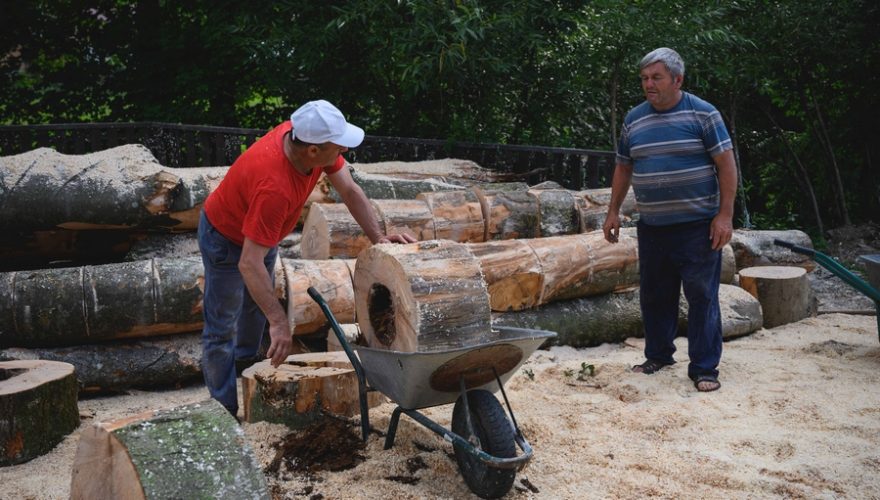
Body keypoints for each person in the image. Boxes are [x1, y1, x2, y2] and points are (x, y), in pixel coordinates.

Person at [198, 100, 416, 417]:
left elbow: (351, 190)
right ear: (313, 151)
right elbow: (248, 262)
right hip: (225, 237)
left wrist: (380, 238)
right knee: (221, 328)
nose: (343, 149)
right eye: (338, 144)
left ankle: (246, 373)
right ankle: (225, 411)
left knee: (254, 312)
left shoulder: (305, 140)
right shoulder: (274, 185)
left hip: (260, 235)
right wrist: (280, 322)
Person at [602, 48, 737, 392]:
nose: (649, 84)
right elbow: (624, 166)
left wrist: (724, 215)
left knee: (701, 296)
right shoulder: (635, 119)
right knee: (655, 294)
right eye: (645, 78)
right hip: (653, 226)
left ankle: (705, 368)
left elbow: (726, 165)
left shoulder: (703, 114)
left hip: (698, 225)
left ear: (677, 80)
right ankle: (658, 355)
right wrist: (613, 211)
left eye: (656, 78)